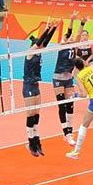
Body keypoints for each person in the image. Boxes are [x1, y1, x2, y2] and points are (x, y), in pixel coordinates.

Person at [25, 20, 61, 157]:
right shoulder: (29, 52)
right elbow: (40, 41)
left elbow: (44, 42)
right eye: (37, 45)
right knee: (30, 114)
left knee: (36, 115)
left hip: (36, 85)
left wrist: (54, 29)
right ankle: (30, 142)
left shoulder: (39, 52)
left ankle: (37, 141)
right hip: (28, 86)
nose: (40, 46)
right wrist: (47, 29)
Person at [52, 12, 87, 146]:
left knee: (70, 105)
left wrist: (83, 23)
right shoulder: (63, 45)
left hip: (68, 79)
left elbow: (77, 35)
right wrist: (71, 21)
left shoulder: (73, 45)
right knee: (61, 104)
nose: (71, 37)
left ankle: (70, 132)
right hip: (58, 78)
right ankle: (65, 132)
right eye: (68, 37)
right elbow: (69, 32)